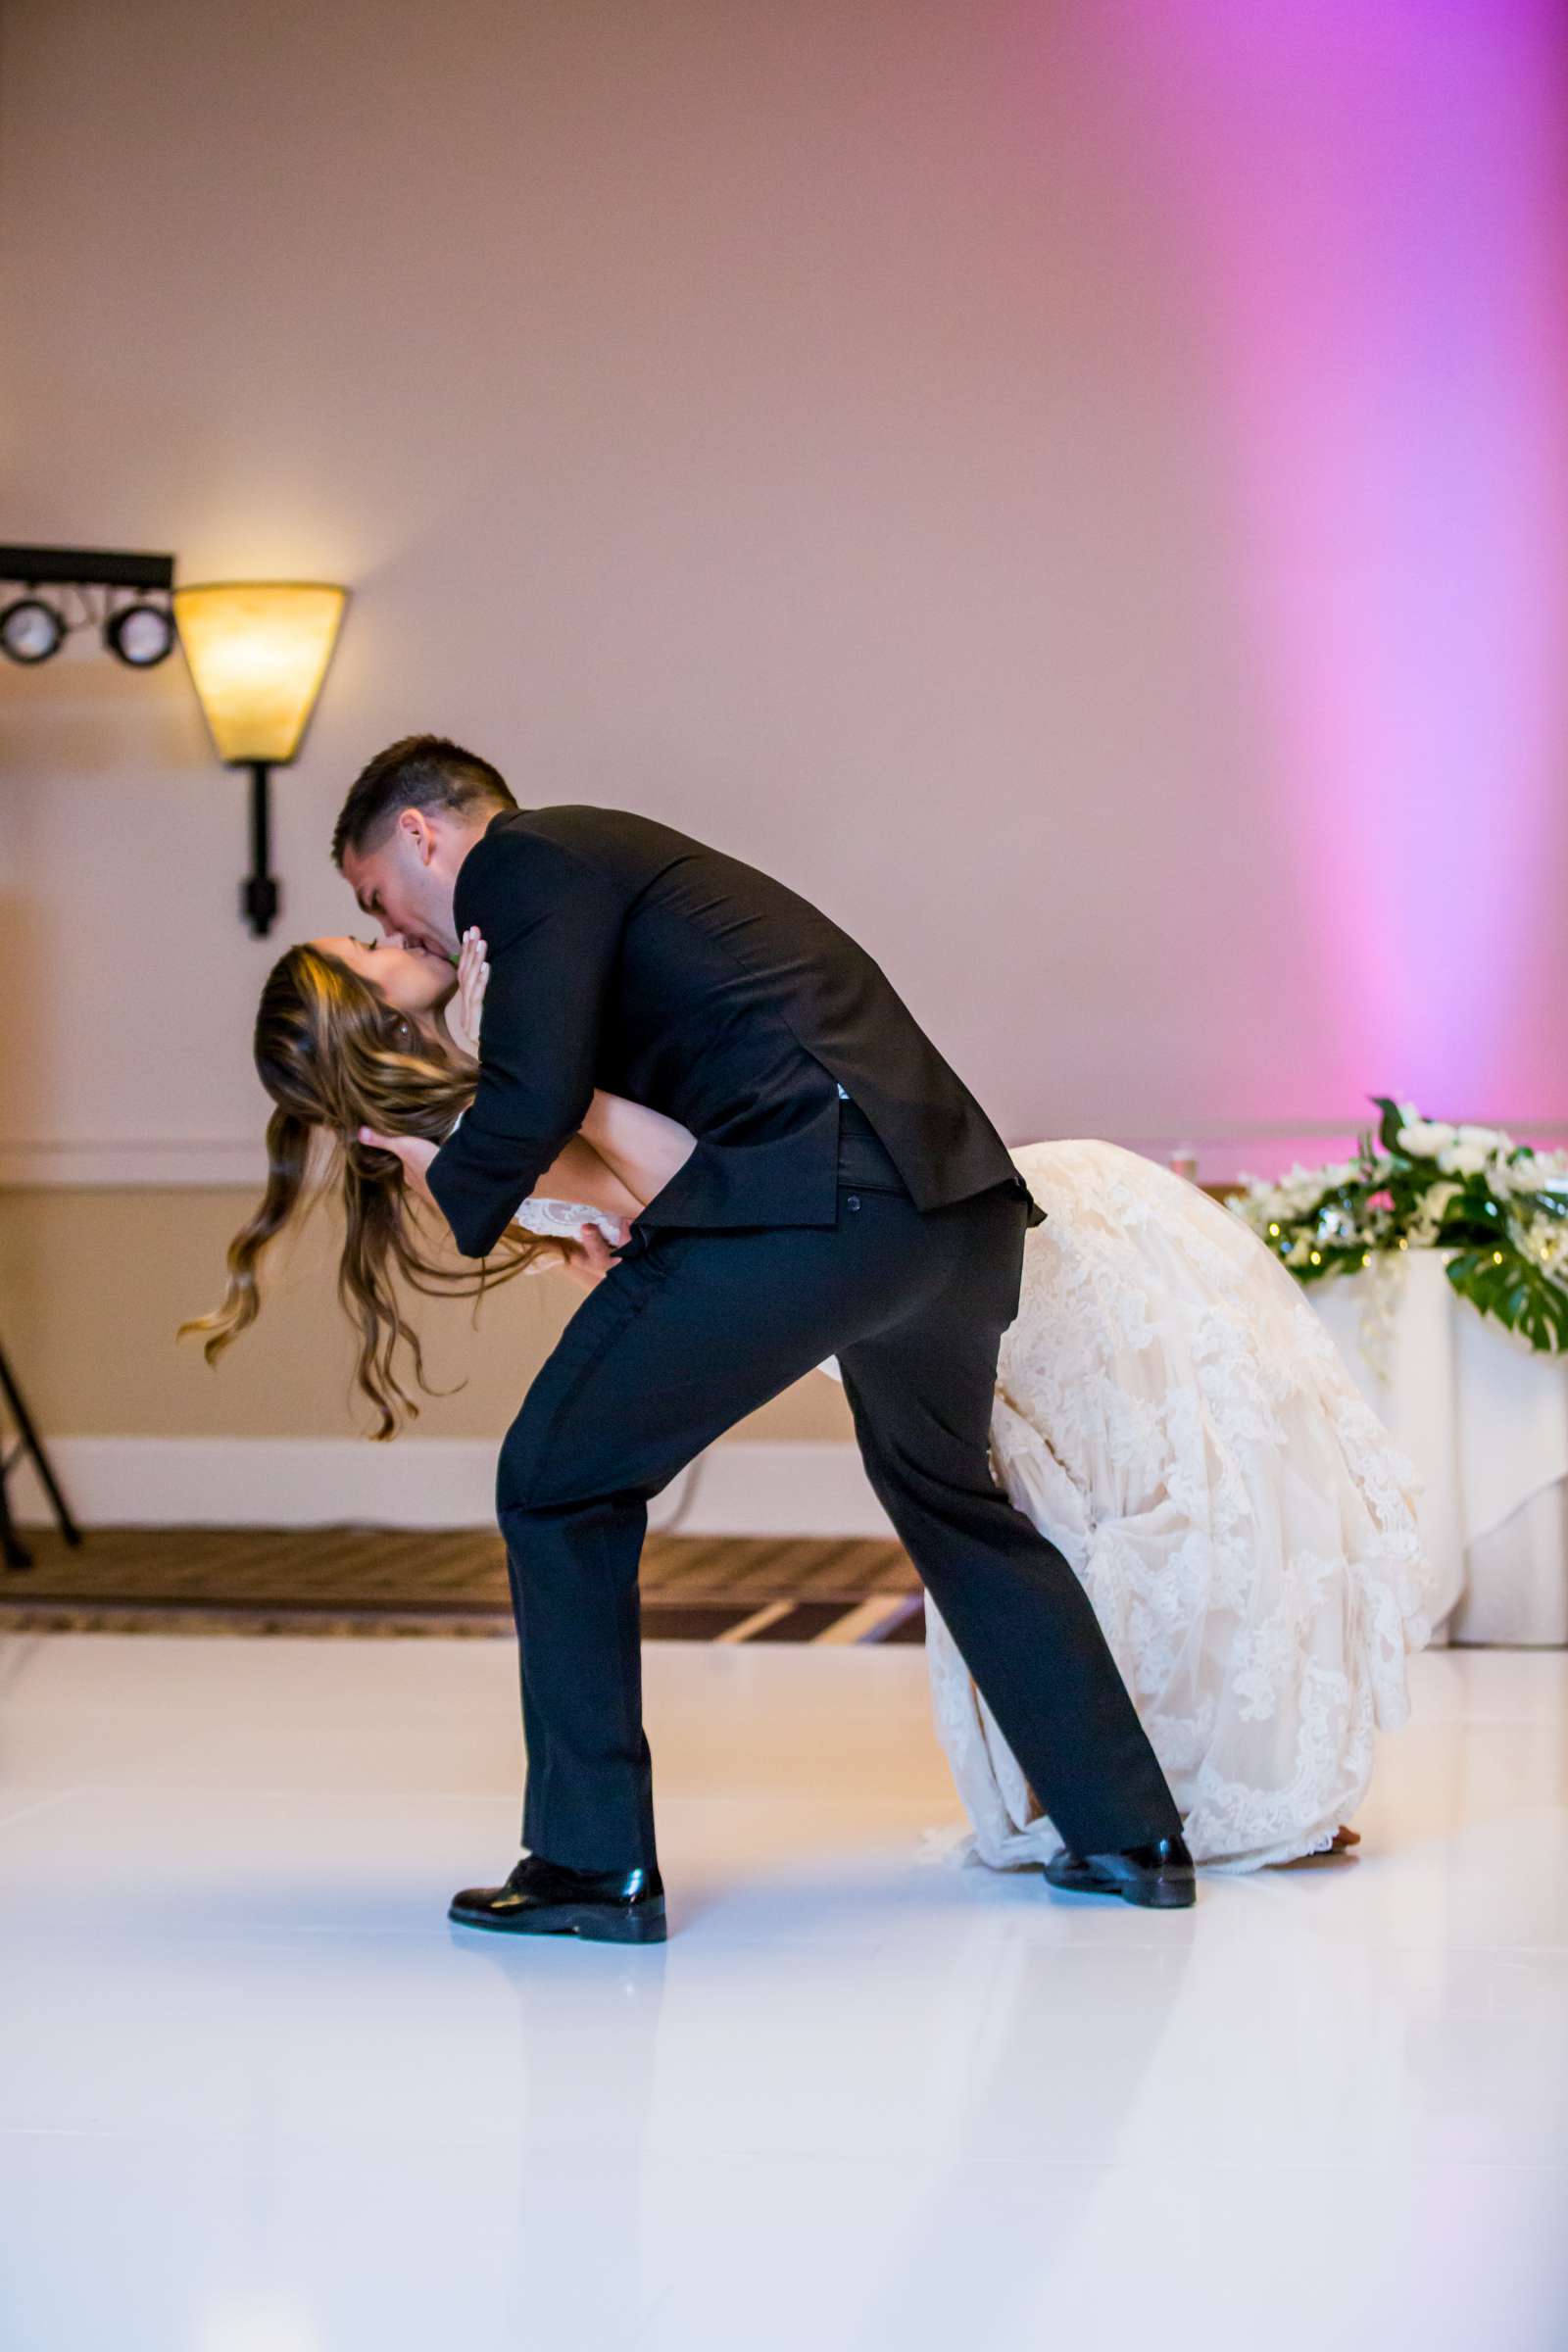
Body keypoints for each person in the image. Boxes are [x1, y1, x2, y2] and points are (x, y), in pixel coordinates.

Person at [190, 734, 1194, 1936]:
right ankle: (1129, 1833)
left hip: (823, 1208)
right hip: (948, 1212)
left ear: (420, 836)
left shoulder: (523, 860)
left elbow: (543, 1099)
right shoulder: (571, 935)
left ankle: (588, 1866)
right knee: (950, 1500)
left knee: (555, 1483)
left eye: (371, 905)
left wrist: (460, 1188)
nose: (392, 929)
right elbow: (630, 1126)